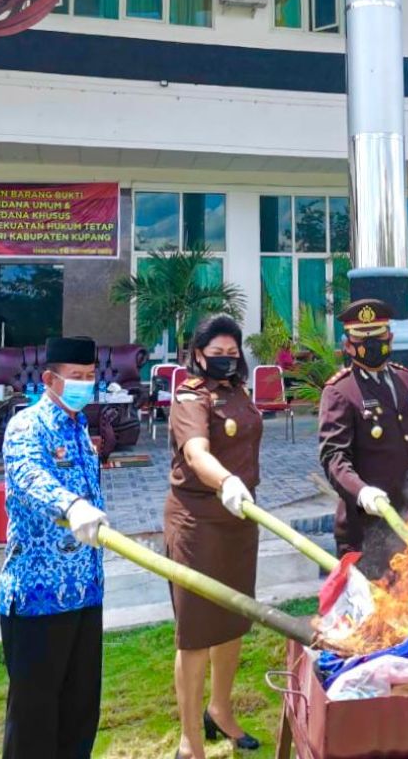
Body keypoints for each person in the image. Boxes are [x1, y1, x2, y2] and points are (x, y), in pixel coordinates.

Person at [0, 336, 109, 759]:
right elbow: (29, 476)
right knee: (34, 721)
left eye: (89, 377)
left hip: (85, 591)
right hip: (37, 599)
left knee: (80, 713)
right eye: (75, 377)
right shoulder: (28, 425)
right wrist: (71, 504)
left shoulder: (80, 427)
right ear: (49, 379)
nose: (84, 385)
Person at [166, 315, 263, 759]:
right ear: (198, 354)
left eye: (232, 353)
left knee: (233, 620)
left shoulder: (238, 393)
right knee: (197, 632)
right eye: (217, 354)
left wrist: (236, 492)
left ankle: (220, 710)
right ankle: (190, 738)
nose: (226, 361)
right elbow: (197, 453)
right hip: (198, 522)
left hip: (239, 519)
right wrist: (225, 482)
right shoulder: (190, 396)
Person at [318, 298, 408, 578]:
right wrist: (362, 492)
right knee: (375, 615)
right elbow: (334, 458)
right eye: (362, 339)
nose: (371, 345)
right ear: (348, 345)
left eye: (378, 337)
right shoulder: (341, 391)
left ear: (390, 338)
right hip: (368, 526)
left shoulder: (406, 381)